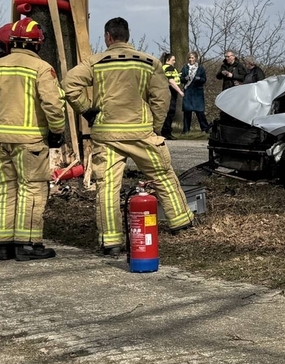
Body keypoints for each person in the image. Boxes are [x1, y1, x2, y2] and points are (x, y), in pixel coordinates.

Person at [63, 17, 193, 255]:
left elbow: (69, 83)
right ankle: (181, 222)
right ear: (128, 36)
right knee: (163, 175)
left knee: (107, 186)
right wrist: (154, 126)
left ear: (108, 37)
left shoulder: (95, 62)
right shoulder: (149, 62)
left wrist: (87, 109)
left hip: (107, 134)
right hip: (141, 132)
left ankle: (111, 241)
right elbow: (161, 99)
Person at [0, 18, 65, 261]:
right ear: (37, 44)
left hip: (1, 142)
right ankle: (28, 244)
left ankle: (4, 245)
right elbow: (53, 104)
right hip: (31, 142)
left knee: (5, 189)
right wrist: (56, 131)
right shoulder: (42, 69)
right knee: (32, 189)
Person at [180, 52, 209, 134]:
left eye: (192, 58)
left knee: (200, 112)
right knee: (187, 112)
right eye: (189, 58)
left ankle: (205, 129)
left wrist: (199, 79)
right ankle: (186, 130)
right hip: (188, 91)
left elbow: (204, 80)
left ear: (196, 58)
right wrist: (185, 78)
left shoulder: (200, 68)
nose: (191, 59)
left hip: (197, 92)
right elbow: (181, 79)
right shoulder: (185, 68)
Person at [159, 52, 185, 140]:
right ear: (167, 60)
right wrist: (180, 91)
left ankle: (165, 131)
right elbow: (171, 81)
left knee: (168, 112)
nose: (174, 61)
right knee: (170, 112)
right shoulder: (169, 67)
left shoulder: (164, 68)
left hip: (166, 91)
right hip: (170, 91)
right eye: (173, 60)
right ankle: (166, 132)